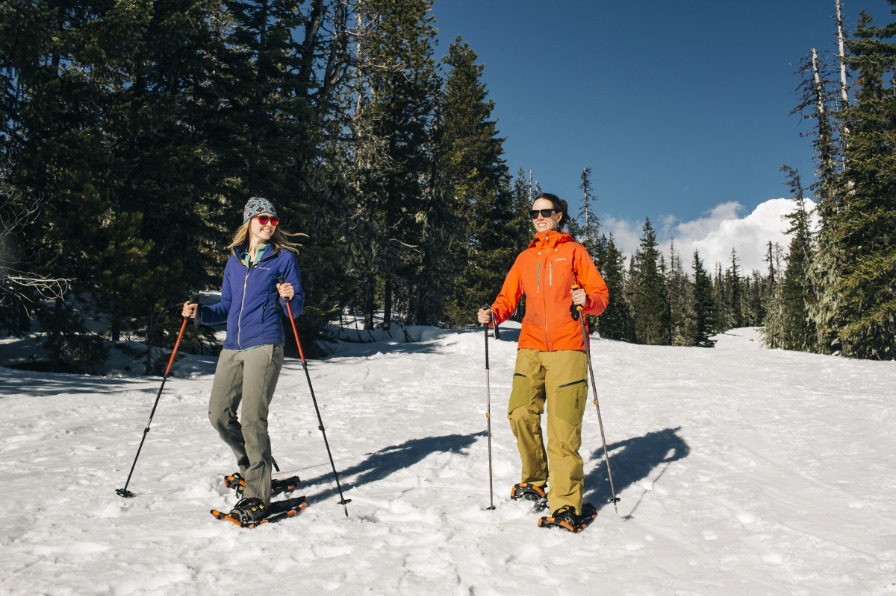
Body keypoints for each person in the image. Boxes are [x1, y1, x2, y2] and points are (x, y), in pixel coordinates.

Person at [477, 192, 609, 525]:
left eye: (546, 212)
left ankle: (565, 504)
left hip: (568, 348)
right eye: (534, 213)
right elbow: (508, 298)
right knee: (520, 413)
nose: (539, 217)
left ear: (559, 215)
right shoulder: (525, 258)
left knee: (562, 430)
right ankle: (535, 481)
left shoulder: (575, 253)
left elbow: (601, 296)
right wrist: (493, 314)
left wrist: (587, 298)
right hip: (531, 347)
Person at [182, 196, 304, 524]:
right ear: (249, 221)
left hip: (265, 344)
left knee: (252, 419)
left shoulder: (283, 259)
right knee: (219, 415)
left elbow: (296, 309)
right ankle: (252, 467)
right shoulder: (234, 261)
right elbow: (224, 307)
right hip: (233, 346)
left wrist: (289, 298)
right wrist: (199, 313)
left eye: (273, 220)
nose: (268, 224)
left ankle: (256, 494)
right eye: (262, 219)